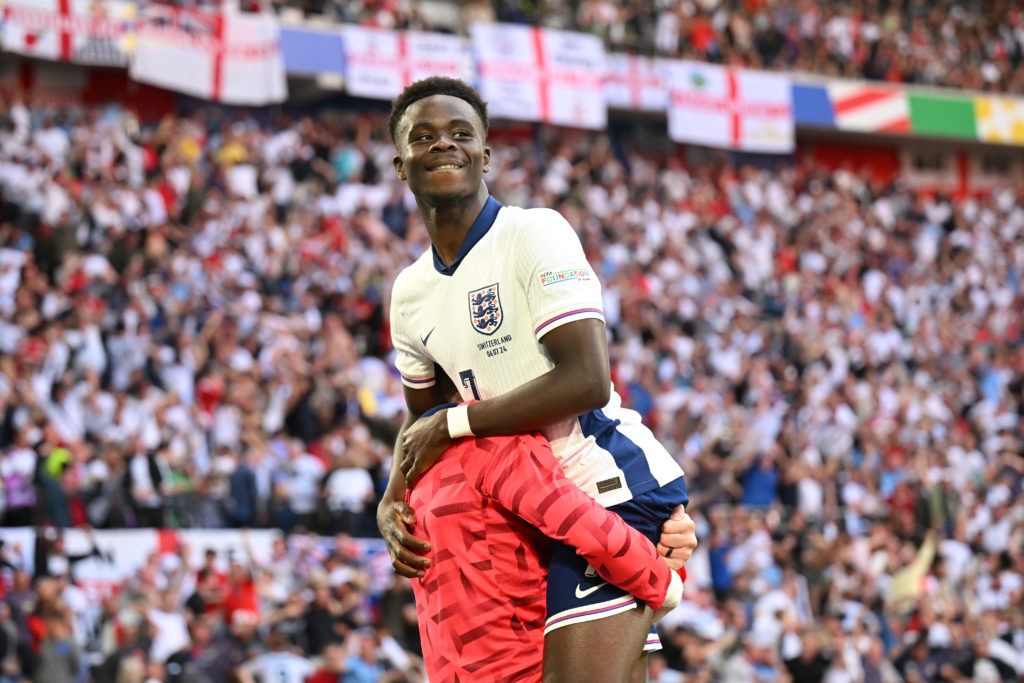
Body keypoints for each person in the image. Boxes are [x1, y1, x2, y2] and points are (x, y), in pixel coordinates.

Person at [377, 76, 697, 681]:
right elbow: (426, 423)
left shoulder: (533, 233)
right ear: (401, 164)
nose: (443, 144)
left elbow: (586, 381)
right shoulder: (410, 292)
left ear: (485, 155)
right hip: (520, 507)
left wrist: (452, 422)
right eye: (423, 137)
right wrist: (394, 495)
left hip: (602, 482)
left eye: (460, 133)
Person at [407, 405, 685, 681]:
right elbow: (587, 528)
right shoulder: (491, 441)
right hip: (525, 666)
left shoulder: (412, 468)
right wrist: (667, 580)